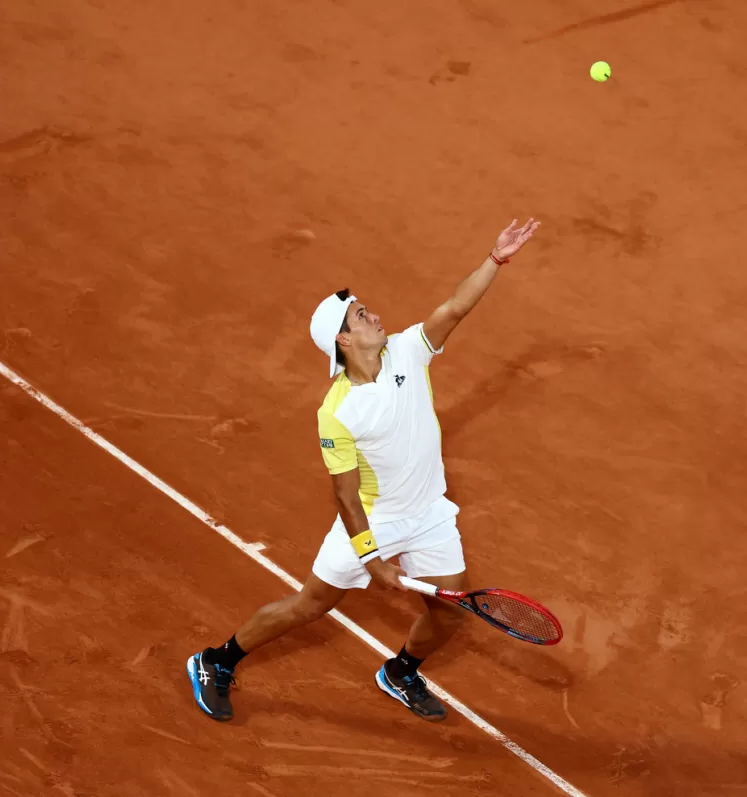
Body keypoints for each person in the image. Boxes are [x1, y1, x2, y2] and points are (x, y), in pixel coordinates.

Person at [186, 218, 541, 723]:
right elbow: (347, 498)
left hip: (430, 514)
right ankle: (216, 660)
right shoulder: (338, 412)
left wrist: (497, 257)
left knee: (450, 613)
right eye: (361, 316)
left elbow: (455, 307)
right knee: (310, 605)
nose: (374, 316)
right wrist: (372, 560)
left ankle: (400, 672)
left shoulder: (407, 351)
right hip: (374, 519)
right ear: (344, 341)